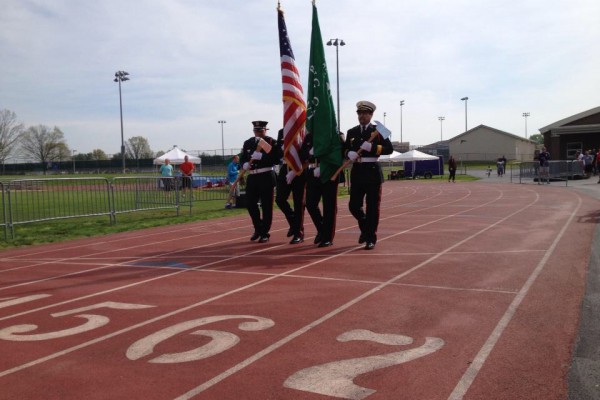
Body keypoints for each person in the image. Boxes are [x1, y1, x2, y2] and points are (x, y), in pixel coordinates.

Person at [344, 100, 394, 250]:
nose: (362, 116)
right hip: (357, 171)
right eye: (359, 113)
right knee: (354, 206)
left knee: (372, 208)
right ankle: (366, 228)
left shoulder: (378, 130)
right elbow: (344, 149)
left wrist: (372, 147)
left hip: (372, 172)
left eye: (365, 113)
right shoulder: (351, 132)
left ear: (371, 114)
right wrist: (349, 153)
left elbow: (389, 149)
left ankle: (370, 237)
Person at [300, 131, 343, 248]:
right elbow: (302, 154)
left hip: (329, 172)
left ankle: (328, 237)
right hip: (312, 172)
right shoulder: (309, 136)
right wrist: (309, 154)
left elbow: (339, 153)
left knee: (329, 206)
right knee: (310, 204)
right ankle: (322, 229)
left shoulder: (333, 134)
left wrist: (324, 165)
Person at [239, 120, 278, 243]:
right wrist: (244, 164)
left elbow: (277, 158)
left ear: (265, 130)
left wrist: (262, 157)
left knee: (267, 206)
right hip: (253, 177)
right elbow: (243, 157)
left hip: (266, 175)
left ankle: (264, 232)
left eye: (261, 130)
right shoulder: (248, 143)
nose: (258, 132)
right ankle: (258, 228)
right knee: (250, 204)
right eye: (256, 130)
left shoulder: (271, 142)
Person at [275, 129, 307, 244]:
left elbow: (306, 151)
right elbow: (277, 152)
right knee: (280, 199)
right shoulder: (282, 131)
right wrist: (282, 149)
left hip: (299, 169)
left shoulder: (304, 130)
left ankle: (298, 233)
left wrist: (297, 169)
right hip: (285, 167)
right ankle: (294, 223)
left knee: (299, 203)